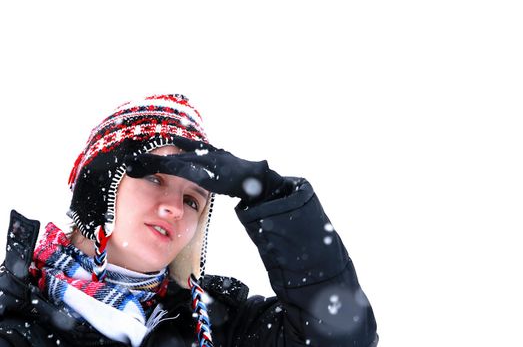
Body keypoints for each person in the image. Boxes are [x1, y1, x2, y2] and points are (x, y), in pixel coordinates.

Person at [0, 94, 378, 346]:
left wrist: (271, 194)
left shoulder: (217, 326)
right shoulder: (12, 316)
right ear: (100, 188)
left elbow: (343, 336)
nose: (176, 209)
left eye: (193, 200)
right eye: (154, 178)